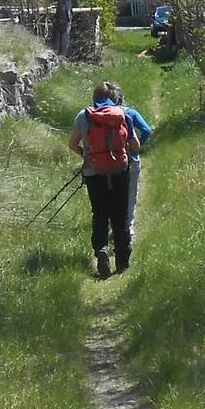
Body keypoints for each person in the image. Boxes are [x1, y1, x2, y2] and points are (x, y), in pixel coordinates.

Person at [70, 83, 140, 278]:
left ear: (94, 97)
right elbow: (135, 144)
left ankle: (102, 249)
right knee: (120, 215)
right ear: (115, 98)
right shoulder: (123, 115)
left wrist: (86, 155)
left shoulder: (84, 116)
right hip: (119, 171)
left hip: (94, 172)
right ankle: (123, 262)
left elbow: (72, 144)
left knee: (100, 213)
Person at [104, 82, 153, 237]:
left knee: (110, 194)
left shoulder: (98, 115)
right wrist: (136, 146)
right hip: (130, 160)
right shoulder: (130, 113)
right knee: (130, 194)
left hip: (106, 161)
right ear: (121, 99)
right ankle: (127, 229)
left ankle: (112, 226)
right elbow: (147, 130)